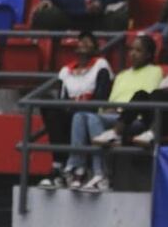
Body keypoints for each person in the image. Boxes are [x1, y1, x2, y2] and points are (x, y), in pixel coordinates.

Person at [66, 33, 161, 191]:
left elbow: (146, 97)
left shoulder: (155, 71)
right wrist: (109, 109)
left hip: (134, 118)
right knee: (79, 116)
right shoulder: (122, 75)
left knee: (92, 119)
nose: (133, 53)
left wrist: (119, 110)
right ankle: (78, 168)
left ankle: (101, 173)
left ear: (148, 54)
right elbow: (112, 100)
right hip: (113, 114)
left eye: (138, 50)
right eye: (131, 49)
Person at [37, 31, 113, 189]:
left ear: (96, 47)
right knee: (49, 106)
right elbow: (62, 98)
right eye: (81, 41)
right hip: (69, 112)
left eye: (89, 41)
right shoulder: (65, 71)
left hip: (89, 112)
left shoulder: (101, 65)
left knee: (70, 115)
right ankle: (58, 166)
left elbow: (101, 97)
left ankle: (75, 169)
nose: (84, 43)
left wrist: (77, 105)